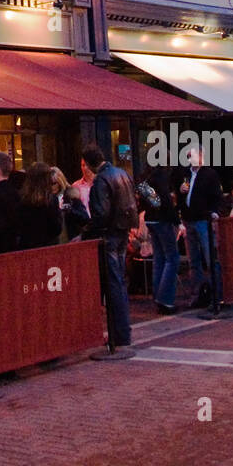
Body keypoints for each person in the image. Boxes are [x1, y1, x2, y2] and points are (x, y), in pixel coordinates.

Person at [83, 145, 138, 348]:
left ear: (89, 164)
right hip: (122, 231)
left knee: (114, 283)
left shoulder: (102, 180)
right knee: (119, 281)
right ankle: (122, 332)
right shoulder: (122, 173)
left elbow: (101, 213)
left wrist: (87, 231)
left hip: (109, 234)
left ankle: (120, 334)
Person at [174, 145, 224, 308]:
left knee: (210, 258)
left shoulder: (209, 174)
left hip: (203, 220)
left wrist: (214, 212)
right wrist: (180, 191)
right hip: (189, 220)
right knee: (193, 259)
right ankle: (198, 294)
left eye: (194, 155)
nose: (191, 159)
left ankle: (216, 295)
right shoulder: (186, 174)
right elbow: (179, 197)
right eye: (189, 156)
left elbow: (217, 196)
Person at [143, 163, 181, 315]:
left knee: (159, 258)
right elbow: (165, 200)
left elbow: (145, 197)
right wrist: (176, 221)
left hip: (151, 219)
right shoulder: (162, 177)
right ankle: (165, 299)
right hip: (162, 220)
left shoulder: (148, 176)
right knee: (172, 258)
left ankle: (158, 296)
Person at [14, 162, 63, 250]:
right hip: (48, 247)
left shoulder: (21, 199)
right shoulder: (50, 200)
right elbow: (57, 228)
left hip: (27, 247)